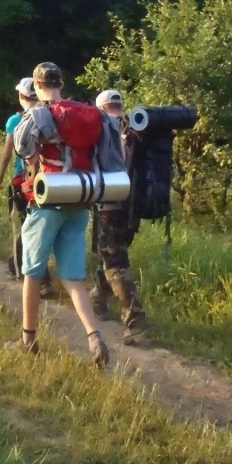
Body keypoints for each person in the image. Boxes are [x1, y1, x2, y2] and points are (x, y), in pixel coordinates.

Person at [12, 62, 109, 366]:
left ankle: (28, 340)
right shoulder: (87, 113)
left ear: (38, 86)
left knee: (32, 271)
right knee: (73, 278)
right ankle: (95, 337)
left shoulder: (39, 113)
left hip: (48, 200)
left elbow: (23, 149)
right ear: (61, 83)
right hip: (80, 199)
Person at [90, 89, 149, 345]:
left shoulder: (104, 129)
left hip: (109, 205)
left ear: (101, 108)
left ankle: (135, 323)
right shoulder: (137, 128)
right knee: (113, 251)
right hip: (135, 205)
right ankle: (97, 300)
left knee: (115, 261)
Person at [0, 77, 54, 296]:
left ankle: (35, 275)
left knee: (25, 226)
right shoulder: (51, 115)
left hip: (26, 181)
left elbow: (7, 152)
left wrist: (0, 178)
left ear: (22, 96)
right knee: (41, 225)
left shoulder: (15, 120)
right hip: (52, 180)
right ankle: (32, 271)